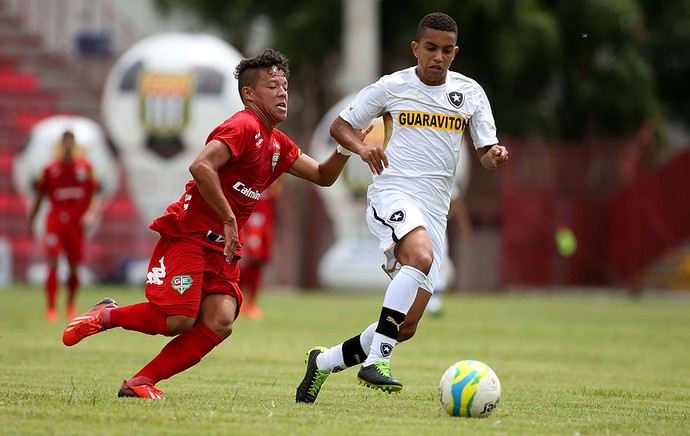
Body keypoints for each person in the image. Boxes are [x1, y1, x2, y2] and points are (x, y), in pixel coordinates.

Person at [61, 49, 372, 400]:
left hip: (222, 246)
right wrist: (228, 219)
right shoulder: (243, 126)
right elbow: (201, 167)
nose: (283, 93)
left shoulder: (278, 143)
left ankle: (139, 383)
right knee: (179, 320)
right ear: (249, 94)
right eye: (273, 86)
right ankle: (107, 316)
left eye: (285, 86)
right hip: (191, 235)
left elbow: (322, 176)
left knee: (220, 321)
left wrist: (349, 147)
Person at [296, 12, 509, 403]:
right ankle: (377, 362)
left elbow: (484, 153)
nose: (438, 57)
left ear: (455, 52)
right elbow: (340, 126)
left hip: (435, 212)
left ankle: (323, 362)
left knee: (405, 325)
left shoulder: (471, 94)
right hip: (392, 194)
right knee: (420, 257)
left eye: (446, 50)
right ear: (416, 48)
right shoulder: (392, 87)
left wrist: (494, 156)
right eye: (430, 48)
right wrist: (361, 147)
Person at [28, 130, 102, 322]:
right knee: (52, 261)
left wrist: (90, 214)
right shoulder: (49, 170)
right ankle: (51, 308)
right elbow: (40, 197)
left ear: (75, 146)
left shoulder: (86, 169)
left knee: (74, 266)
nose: (68, 146)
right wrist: (32, 220)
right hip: (55, 221)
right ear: (60, 146)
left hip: (76, 224)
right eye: (65, 142)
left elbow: (95, 194)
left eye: (71, 142)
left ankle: (70, 304)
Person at [239, 182, 280, 319]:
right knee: (249, 259)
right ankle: (238, 300)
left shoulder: (274, 175)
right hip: (251, 220)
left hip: (265, 223)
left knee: (259, 261)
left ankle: (251, 304)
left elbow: (275, 197)